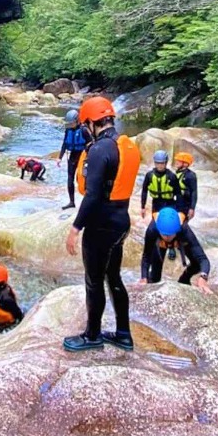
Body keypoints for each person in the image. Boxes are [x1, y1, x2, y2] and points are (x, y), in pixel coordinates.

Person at [63, 95, 140, 352]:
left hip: (101, 226)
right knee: (113, 277)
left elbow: (93, 195)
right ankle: (123, 334)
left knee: (93, 281)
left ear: (90, 123)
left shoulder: (99, 150)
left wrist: (76, 228)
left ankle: (92, 335)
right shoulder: (125, 145)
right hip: (121, 222)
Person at [136, 207, 211, 294]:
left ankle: (184, 279)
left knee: (197, 264)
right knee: (154, 277)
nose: (167, 238)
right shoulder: (152, 229)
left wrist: (203, 277)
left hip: (179, 240)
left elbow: (203, 259)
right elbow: (146, 256)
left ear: (177, 230)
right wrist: (143, 278)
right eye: (164, 234)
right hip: (160, 244)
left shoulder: (184, 230)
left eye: (170, 235)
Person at [57, 109, 91, 210]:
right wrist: (59, 157)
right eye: (69, 123)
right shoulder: (68, 130)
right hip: (73, 155)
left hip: (83, 155)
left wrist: (89, 157)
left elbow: (91, 143)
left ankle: (88, 201)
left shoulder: (84, 130)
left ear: (77, 120)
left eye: (71, 123)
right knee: (70, 178)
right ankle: (72, 202)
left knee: (84, 178)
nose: (70, 125)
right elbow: (64, 143)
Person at [140, 150, 180, 222]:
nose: (160, 165)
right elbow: (144, 191)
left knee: (168, 224)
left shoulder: (172, 176)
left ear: (166, 163)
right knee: (155, 223)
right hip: (156, 203)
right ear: (155, 163)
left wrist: (179, 209)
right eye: (157, 163)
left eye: (162, 163)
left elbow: (178, 194)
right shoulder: (149, 175)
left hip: (169, 204)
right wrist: (143, 207)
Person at [174, 152, 199, 224]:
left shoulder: (191, 176)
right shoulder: (178, 172)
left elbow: (194, 192)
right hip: (177, 203)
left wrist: (192, 208)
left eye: (179, 161)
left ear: (185, 163)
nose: (176, 162)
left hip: (185, 206)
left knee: (182, 224)